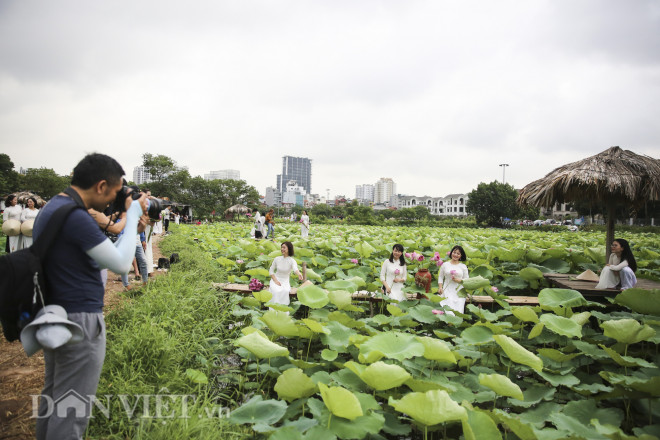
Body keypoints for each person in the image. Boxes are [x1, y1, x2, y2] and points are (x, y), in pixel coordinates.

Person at [31, 153, 147, 439]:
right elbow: (121, 264)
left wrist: (130, 227)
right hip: (80, 320)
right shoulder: (76, 217)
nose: (114, 201)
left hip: (55, 313)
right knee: (71, 411)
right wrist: (131, 217)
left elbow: (103, 255)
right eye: (115, 193)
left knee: (55, 397)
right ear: (101, 185)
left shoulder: (55, 208)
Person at [269, 241, 303, 307]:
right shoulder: (277, 259)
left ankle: (282, 311)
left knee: (285, 290)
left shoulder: (292, 260)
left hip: (285, 281)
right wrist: (275, 281)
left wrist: (299, 274)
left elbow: (295, 269)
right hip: (275, 280)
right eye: (281, 247)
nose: (282, 249)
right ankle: (274, 309)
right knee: (276, 291)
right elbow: (271, 271)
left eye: (284, 247)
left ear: (289, 249)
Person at [437, 245, 469, 315]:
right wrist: (440, 288)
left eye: (458, 253)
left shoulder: (463, 266)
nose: (455, 255)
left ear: (461, 256)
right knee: (449, 302)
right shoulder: (445, 265)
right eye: (454, 252)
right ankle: (449, 323)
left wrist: (459, 280)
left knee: (459, 304)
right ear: (451, 253)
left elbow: (466, 280)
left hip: (459, 290)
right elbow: (440, 277)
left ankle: (455, 323)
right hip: (447, 289)